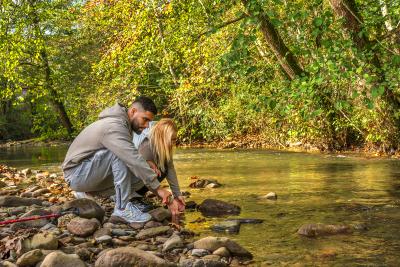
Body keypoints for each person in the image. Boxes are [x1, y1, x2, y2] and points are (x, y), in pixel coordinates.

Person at [62, 96, 172, 223]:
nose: (147, 125)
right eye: (145, 119)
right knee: (122, 156)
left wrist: (146, 163)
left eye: (149, 121)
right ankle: (122, 208)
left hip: (87, 174)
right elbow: (129, 156)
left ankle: (89, 193)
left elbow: (132, 156)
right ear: (133, 111)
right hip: (76, 174)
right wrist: (158, 189)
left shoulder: (124, 126)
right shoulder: (114, 126)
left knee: (143, 172)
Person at [134, 118, 185, 214]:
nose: (174, 143)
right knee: (153, 171)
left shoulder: (164, 147)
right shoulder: (147, 146)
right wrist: (168, 200)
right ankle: (132, 198)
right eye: (172, 140)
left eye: (175, 139)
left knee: (164, 168)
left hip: (142, 181)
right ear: (162, 137)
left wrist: (177, 194)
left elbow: (170, 169)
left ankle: (139, 196)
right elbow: (146, 177)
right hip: (130, 182)